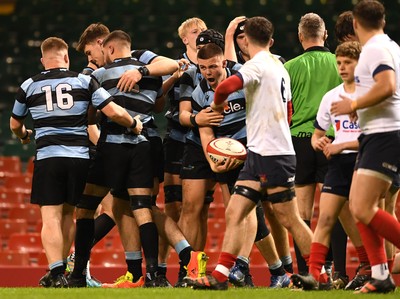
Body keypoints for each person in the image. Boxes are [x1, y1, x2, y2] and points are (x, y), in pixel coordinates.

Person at [183, 16, 313, 290]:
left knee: (288, 217)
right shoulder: (279, 66)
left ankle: (319, 272)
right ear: (271, 40)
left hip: (270, 152)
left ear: (245, 40)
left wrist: (217, 107)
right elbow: (288, 112)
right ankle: (221, 275)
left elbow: (227, 87)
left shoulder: (255, 65)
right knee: (235, 211)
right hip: (262, 150)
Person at [9, 36, 141, 288]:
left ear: (42, 60)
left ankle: (56, 271)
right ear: (66, 57)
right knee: (71, 214)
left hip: (48, 158)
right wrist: (134, 123)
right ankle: (63, 273)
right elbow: (112, 111)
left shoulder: (29, 85)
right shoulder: (83, 80)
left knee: (50, 218)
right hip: (79, 158)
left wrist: (24, 135)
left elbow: (15, 124)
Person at [330, 0, 400, 293]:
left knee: (361, 206)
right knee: (360, 207)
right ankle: (381, 274)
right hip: (376, 133)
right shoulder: (391, 46)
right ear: (382, 21)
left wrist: (354, 103)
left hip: (385, 135)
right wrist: (364, 109)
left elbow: (388, 85)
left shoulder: (374, 49)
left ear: (356, 24)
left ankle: (382, 272)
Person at [291, 41, 370, 290]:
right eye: (339, 63)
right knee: (325, 218)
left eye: (348, 63)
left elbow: (375, 138)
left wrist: (340, 146)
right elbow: (316, 134)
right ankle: (316, 275)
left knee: (362, 217)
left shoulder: (370, 96)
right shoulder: (331, 96)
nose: (343, 68)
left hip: (364, 162)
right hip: (337, 163)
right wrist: (319, 142)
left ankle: (370, 266)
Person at [284, 12, 343, 276]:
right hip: (333, 139)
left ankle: (309, 271)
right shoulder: (339, 63)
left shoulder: (290, 67)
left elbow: (285, 108)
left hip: (300, 141)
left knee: (302, 212)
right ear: (325, 34)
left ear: (300, 37)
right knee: (335, 210)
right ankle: (336, 270)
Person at [159, 18, 207, 282]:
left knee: (200, 209)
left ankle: (193, 269)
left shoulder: (213, 63)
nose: (200, 35)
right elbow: (159, 100)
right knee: (173, 209)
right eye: (195, 32)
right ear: (185, 40)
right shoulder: (175, 66)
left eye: (203, 30)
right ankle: (161, 269)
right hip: (177, 140)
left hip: (202, 142)